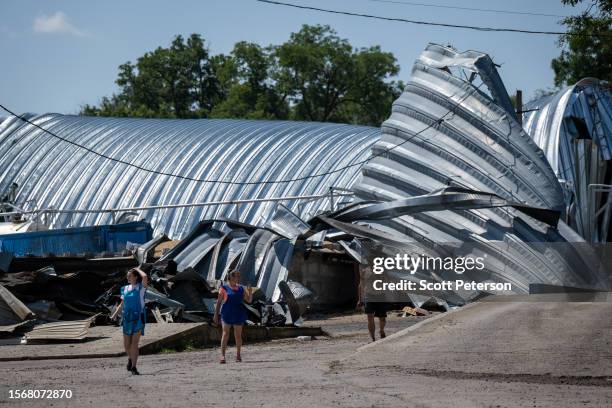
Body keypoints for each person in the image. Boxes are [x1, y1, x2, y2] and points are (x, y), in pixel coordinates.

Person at [110, 267, 148, 375]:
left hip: (138, 318)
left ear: (135, 277)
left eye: (130, 275)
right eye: (127, 275)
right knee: (127, 345)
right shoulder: (124, 289)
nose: (127, 277)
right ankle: (130, 359)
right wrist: (114, 315)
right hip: (127, 319)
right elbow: (122, 304)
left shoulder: (141, 288)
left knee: (134, 343)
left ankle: (134, 367)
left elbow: (145, 277)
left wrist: (136, 268)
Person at [213, 270, 253, 364]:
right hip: (227, 313)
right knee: (225, 334)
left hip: (238, 313)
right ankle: (222, 356)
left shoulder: (241, 289)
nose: (239, 278)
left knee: (238, 336)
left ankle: (238, 355)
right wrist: (216, 315)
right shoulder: (224, 288)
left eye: (239, 276)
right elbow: (218, 303)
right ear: (231, 277)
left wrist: (250, 292)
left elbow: (249, 300)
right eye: (237, 276)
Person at [357, 264, 386, 342]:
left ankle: (381, 330)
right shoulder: (365, 271)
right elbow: (361, 285)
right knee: (370, 317)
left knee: (382, 317)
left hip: (380, 295)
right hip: (369, 295)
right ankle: (372, 337)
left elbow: (387, 281)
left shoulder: (382, 270)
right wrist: (360, 299)